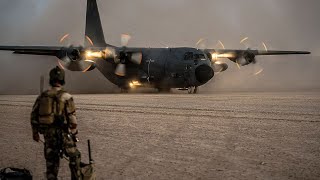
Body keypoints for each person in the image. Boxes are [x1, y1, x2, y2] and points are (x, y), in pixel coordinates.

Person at [31, 66, 81, 180]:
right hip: (63, 135)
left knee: (51, 165)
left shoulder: (42, 96)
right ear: (62, 79)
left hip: (49, 136)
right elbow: (72, 119)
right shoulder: (66, 96)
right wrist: (74, 133)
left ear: (51, 79)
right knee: (75, 157)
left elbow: (33, 116)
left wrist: (35, 133)